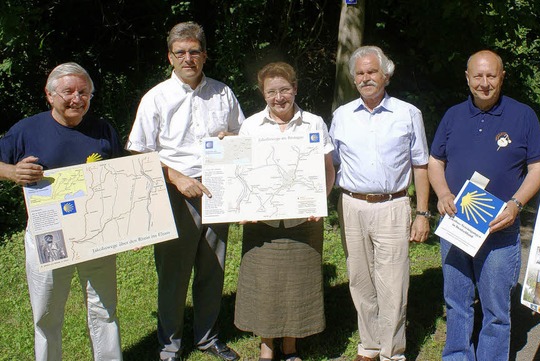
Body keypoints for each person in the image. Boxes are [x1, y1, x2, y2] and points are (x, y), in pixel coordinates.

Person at [126, 22, 244, 361]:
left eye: (194, 52)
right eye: (181, 53)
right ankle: (170, 346)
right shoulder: (156, 98)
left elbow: (241, 135)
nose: (188, 58)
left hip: (216, 192)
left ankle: (207, 338)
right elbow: (139, 153)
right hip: (173, 193)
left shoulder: (222, 93)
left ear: (204, 55)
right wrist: (175, 177)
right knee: (174, 276)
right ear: (170, 57)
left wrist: (231, 141)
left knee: (212, 269)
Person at [428, 50, 540, 361]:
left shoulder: (523, 116)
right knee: (456, 300)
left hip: (500, 227)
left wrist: (517, 203)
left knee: (496, 309)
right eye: (477, 76)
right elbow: (435, 160)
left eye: (490, 75)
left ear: (501, 77)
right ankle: (456, 355)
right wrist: (441, 194)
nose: (484, 83)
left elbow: (538, 166)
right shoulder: (453, 115)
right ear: (467, 78)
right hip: (458, 223)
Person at [0, 62, 123, 360]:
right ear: (50, 95)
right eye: (68, 91)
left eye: (84, 92)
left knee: (104, 309)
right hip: (50, 234)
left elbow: (121, 176)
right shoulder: (27, 129)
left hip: (98, 231)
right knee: (47, 313)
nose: (77, 99)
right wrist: (12, 172)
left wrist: (130, 228)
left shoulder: (103, 129)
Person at [329, 46, 430, 361]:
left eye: (372, 71)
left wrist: (423, 213)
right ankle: (369, 346)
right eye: (359, 73)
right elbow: (327, 164)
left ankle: (391, 352)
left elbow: (421, 165)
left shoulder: (408, 113)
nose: (365, 78)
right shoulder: (341, 116)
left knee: (392, 283)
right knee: (360, 280)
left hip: (393, 205)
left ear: (386, 74)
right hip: (351, 206)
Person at [233, 62, 335, 361]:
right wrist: (242, 205)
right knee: (264, 283)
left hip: (304, 219)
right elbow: (238, 171)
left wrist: (320, 200)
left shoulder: (314, 123)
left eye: (284, 90)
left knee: (297, 284)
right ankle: (267, 345)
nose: (279, 97)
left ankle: (290, 346)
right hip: (261, 220)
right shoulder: (251, 125)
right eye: (271, 91)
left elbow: (328, 170)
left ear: (295, 89)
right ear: (263, 93)